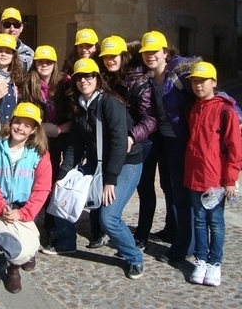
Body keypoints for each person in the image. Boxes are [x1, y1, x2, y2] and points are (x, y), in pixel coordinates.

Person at [42, 58, 145, 280]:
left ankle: (134, 256)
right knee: (61, 196)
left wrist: (110, 180)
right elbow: (75, 145)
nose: (84, 80)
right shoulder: (79, 105)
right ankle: (67, 242)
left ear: (97, 78)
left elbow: (119, 142)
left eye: (89, 75)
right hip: (97, 161)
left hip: (125, 163)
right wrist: (63, 175)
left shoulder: (109, 103)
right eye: (79, 77)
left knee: (109, 217)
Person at [138, 30, 199, 263]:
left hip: (181, 140)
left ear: (165, 52)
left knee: (182, 193)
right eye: (146, 52)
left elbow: (211, 92)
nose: (150, 55)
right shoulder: (150, 77)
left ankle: (185, 246)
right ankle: (172, 230)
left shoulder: (180, 73)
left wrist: (237, 115)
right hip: (164, 139)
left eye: (155, 51)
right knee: (168, 187)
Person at [0, 102, 51, 293]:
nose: (20, 128)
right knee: (10, 239)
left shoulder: (40, 155)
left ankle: (20, 261)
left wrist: (24, 213)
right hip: (3, 204)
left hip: (26, 205)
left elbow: (42, 189)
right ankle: (13, 270)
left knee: (26, 236)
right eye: (18, 122)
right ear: (11, 122)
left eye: (27, 125)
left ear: (34, 130)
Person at [184, 61, 242, 287]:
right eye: (195, 81)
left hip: (215, 178)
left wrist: (230, 180)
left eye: (202, 81)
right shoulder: (193, 108)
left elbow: (235, 149)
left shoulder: (225, 110)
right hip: (194, 175)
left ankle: (214, 263)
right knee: (198, 221)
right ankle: (200, 260)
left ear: (214, 83)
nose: (198, 86)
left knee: (216, 222)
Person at [97, 36, 157, 250]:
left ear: (123, 56)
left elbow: (150, 119)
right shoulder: (107, 78)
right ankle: (112, 227)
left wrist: (132, 136)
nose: (109, 60)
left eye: (114, 56)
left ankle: (141, 235)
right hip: (116, 142)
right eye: (106, 57)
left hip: (142, 142)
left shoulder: (139, 82)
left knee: (144, 188)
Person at [21, 45, 71, 242]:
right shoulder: (27, 84)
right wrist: (57, 129)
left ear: (54, 64)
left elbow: (72, 114)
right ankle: (27, 221)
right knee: (30, 182)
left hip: (59, 144)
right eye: (41, 61)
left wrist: (60, 130)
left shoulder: (65, 83)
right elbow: (27, 116)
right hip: (35, 139)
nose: (44, 65)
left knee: (51, 183)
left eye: (48, 62)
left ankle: (51, 226)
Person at [0, 33, 26, 125]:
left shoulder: (19, 79)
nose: (3, 54)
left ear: (13, 56)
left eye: (8, 52)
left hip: (12, 131)